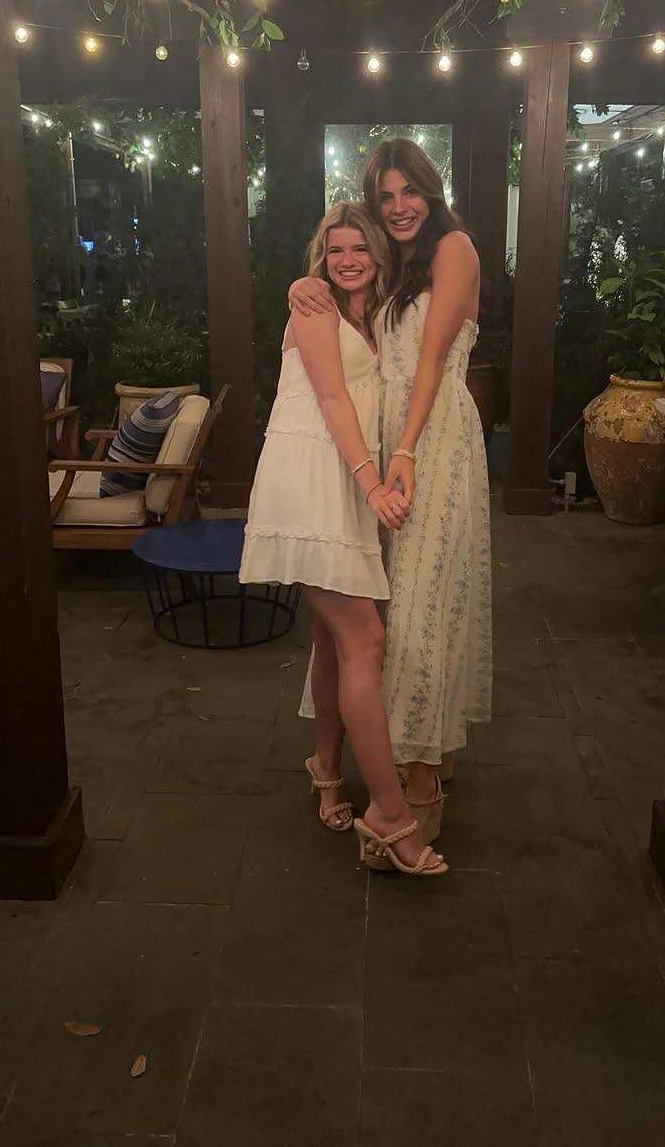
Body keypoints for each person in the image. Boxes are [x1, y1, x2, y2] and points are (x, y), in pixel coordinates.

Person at [290, 139, 492, 839]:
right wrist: (300, 287)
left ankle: (422, 770)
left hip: (432, 439)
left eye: (410, 192)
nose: (400, 206)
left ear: (431, 191)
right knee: (383, 608)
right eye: (386, 196)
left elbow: (431, 359)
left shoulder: (454, 248)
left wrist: (404, 448)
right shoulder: (391, 266)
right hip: (380, 449)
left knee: (423, 605)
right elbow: (339, 309)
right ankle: (396, 753)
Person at [240, 200, 448, 878]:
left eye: (359, 248)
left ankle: (326, 770)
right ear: (320, 258)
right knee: (366, 639)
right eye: (335, 251)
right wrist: (374, 487)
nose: (347, 260)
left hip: (342, 475)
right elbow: (331, 399)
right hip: (314, 477)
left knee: (334, 638)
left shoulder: (373, 310)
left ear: (378, 255)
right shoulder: (315, 305)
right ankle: (390, 812)